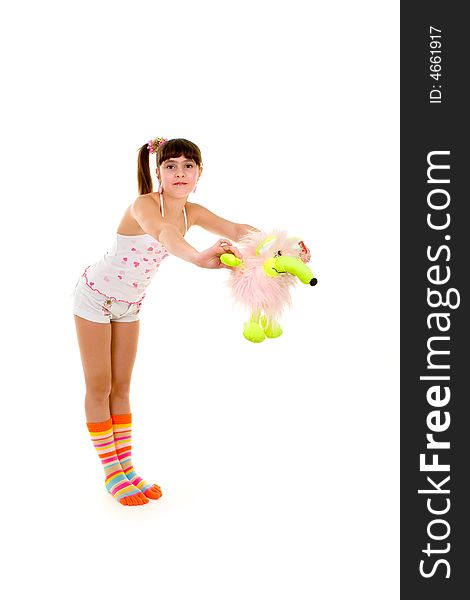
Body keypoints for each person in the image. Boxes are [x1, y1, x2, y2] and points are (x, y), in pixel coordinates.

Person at [73, 137, 259, 506]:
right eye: (170, 165)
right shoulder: (144, 205)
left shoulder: (194, 212)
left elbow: (238, 230)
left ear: (199, 174)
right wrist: (197, 257)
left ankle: (126, 468)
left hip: (130, 305)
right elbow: (164, 234)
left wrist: (281, 245)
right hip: (94, 297)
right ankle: (112, 474)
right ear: (157, 172)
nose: (180, 173)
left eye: (188, 166)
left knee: (122, 387)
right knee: (100, 385)